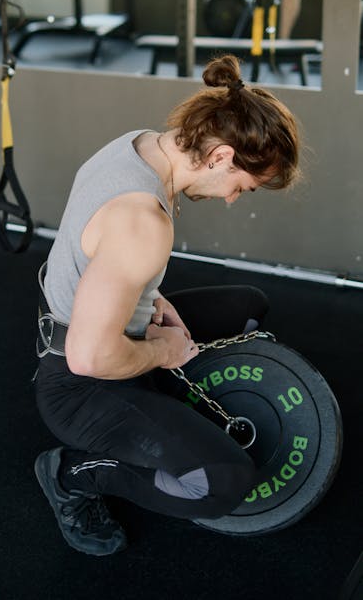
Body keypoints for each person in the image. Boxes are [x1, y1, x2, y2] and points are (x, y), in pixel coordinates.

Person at [33, 54, 300, 556]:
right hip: (81, 384)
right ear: (220, 155)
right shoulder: (143, 221)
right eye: (242, 187)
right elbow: (88, 358)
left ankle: (160, 404)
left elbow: (97, 250)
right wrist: (164, 351)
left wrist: (149, 297)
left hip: (93, 325)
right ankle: (72, 476)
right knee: (222, 481)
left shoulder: (136, 145)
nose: (232, 199)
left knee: (248, 305)